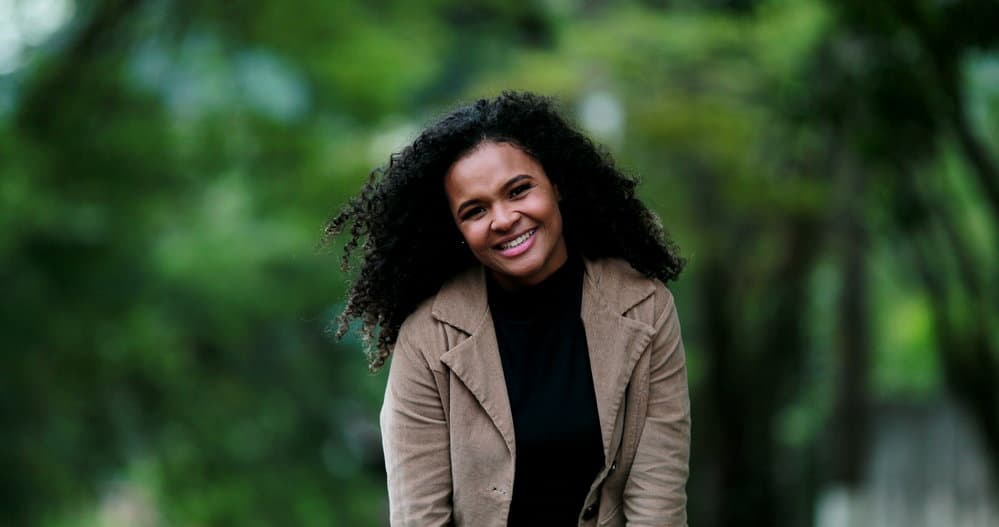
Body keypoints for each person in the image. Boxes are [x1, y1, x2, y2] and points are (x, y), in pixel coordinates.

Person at [326, 91, 690, 526]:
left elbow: (658, 502)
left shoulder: (646, 308)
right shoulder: (428, 337)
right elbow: (418, 516)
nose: (502, 218)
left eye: (518, 190)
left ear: (557, 184)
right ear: (458, 230)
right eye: (475, 210)